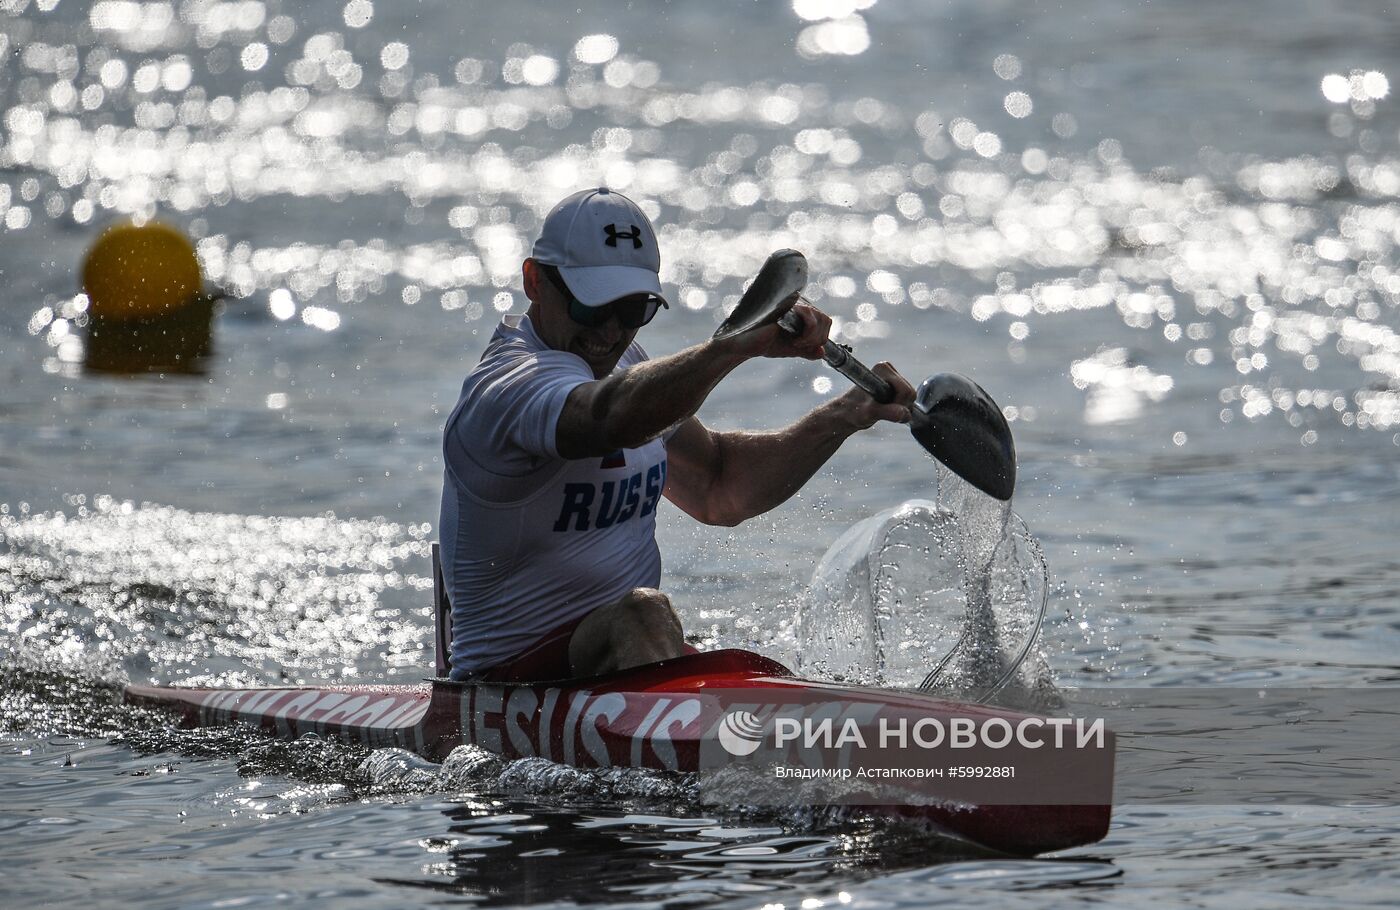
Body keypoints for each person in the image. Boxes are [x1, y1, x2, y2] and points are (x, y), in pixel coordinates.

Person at [439, 187, 915, 681]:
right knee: (644, 613)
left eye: (632, 310)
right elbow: (608, 418)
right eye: (590, 308)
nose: (608, 331)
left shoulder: (627, 364)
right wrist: (732, 347)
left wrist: (846, 413)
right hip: (512, 682)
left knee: (748, 665)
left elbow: (719, 487)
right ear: (534, 281)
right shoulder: (508, 388)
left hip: (623, 662)